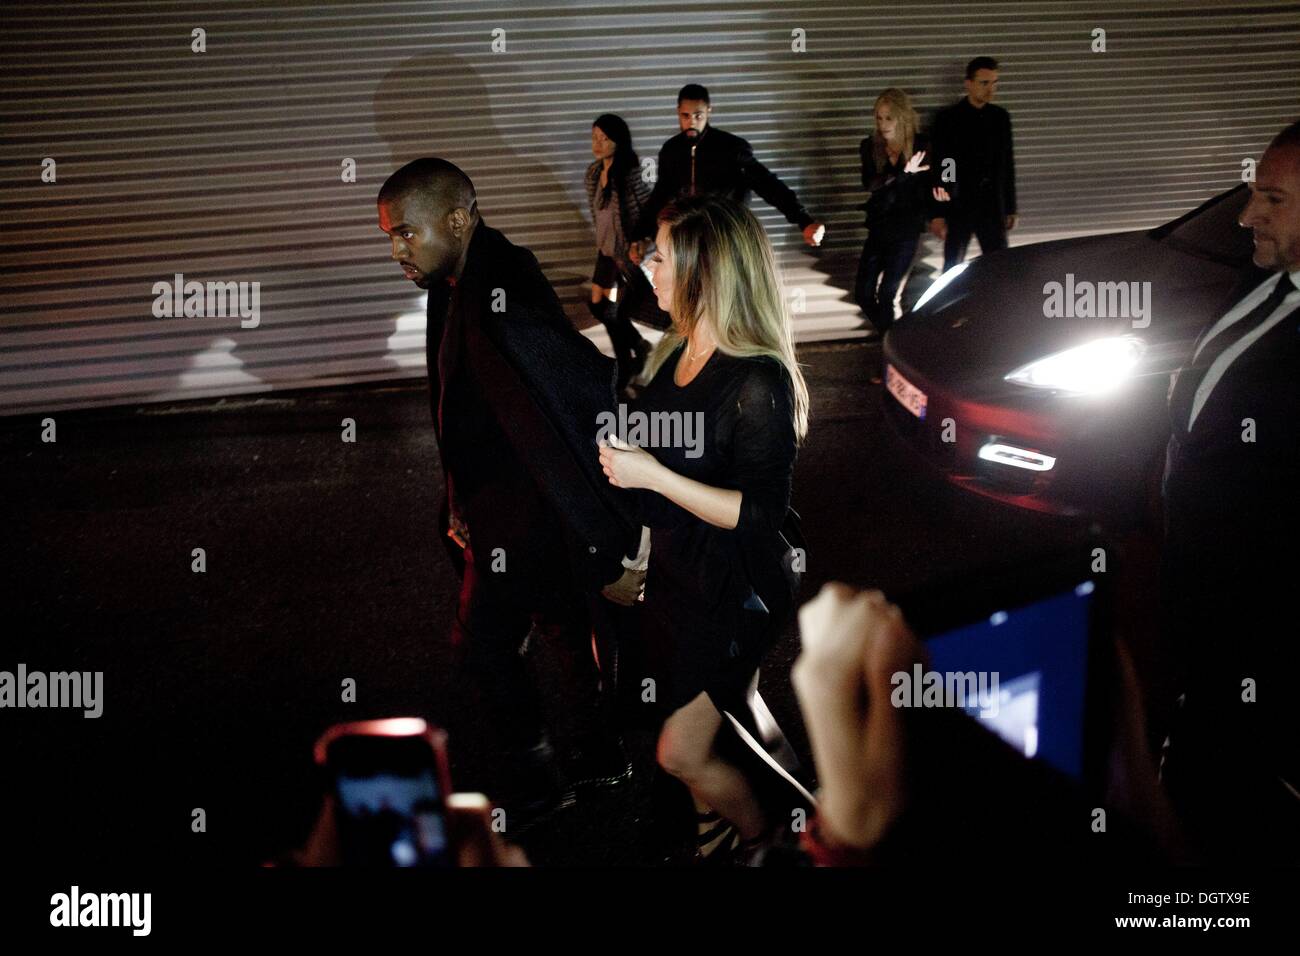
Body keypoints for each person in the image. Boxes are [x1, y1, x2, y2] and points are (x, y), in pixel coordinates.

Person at [377, 158, 644, 831]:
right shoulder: (455, 278)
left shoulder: (500, 289)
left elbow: (559, 415)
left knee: (514, 646)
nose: (396, 250)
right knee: (537, 640)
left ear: (458, 219)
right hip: (498, 520)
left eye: (407, 233)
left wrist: (608, 547)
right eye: (389, 236)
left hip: (532, 522)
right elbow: (464, 407)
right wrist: (458, 500)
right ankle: (573, 765)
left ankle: (560, 779)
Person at [598, 194, 811, 861]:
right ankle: (714, 832)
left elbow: (759, 514)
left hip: (736, 587)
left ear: (706, 271)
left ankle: (765, 839)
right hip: (680, 576)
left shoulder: (757, 383)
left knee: (679, 749)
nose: (650, 267)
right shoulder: (674, 349)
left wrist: (651, 476)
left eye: (663, 256)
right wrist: (636, 554)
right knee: (721, 714)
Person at [1158, 120, 1300, 863]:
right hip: (1202, 606)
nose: (1248, 215)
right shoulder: (1267, 280)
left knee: (1221, 799)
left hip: (1262, 637)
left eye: (1272, 199)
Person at [624, 83, 826, 336]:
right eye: (685, 116)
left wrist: (803, 220)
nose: (691, 122)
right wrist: (638, 236)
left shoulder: (731, 148)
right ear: (678, 113)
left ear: (709, 111)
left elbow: (766, 183)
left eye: (698, 115)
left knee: (727, 300)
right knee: (690, 301)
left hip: (725, 238)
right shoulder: (672, 150)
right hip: (690, 241)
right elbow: (660, 195)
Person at [929, 56, 1018, 272]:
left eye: (995, 83)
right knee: (952, 263)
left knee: (999, 261)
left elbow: (1006, 164)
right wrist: (939, 211)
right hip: (961, 203)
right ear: (968, 84)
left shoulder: (1000, 118)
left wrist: (1010, 207)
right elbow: (943, 165)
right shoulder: (949, 119)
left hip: (991, 204)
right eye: (984, 83)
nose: (991, 89)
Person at [585, 114, 654, 390]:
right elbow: (597, 213)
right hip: (606, 250)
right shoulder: (593, 173)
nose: (597, 143)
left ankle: (625, 368)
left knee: (617, 311)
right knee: (600, 306)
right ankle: (638, 346)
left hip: (625, 252)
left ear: (618, 141)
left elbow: (649, 207)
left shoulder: (630, 173)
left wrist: (643, 242)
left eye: (604, 138)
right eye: (594, 137)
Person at [855, 88, 932, 333]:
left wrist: (943, 196)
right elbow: (870, 183)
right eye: (879, 117)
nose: (883, 123)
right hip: (879, 228)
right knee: (863, 294)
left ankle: (891, 348)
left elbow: (933, 180)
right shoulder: (870, 146)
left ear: (902, 117)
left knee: (888, 294)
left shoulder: (920, 145)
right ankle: (896, 340)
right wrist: (903, 173)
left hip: (906, 230)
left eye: (889, 117)